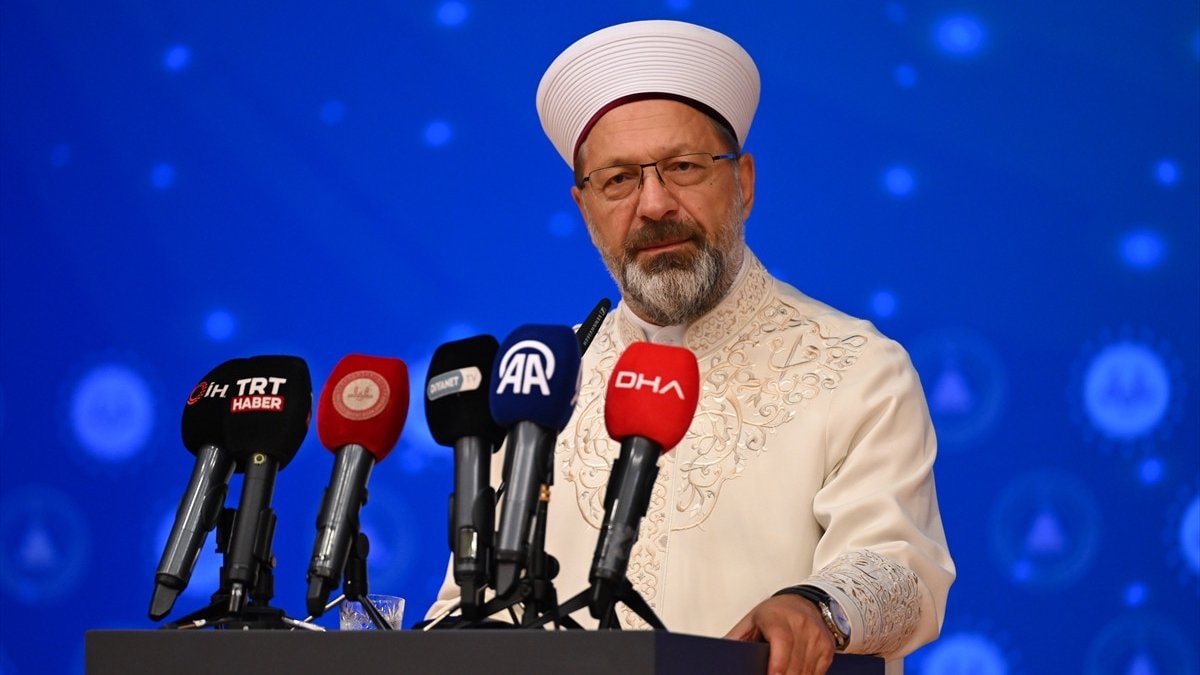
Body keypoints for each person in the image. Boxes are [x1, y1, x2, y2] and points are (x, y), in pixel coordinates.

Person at [427, 20, 954, 675]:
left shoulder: (856, 367)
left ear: (744, 183)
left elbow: (902, 568)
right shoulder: (543, 389)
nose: (654, 205)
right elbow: (467, 612)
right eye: (618, 179)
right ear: (585, 209)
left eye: (682, 167)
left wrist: (818, 607)